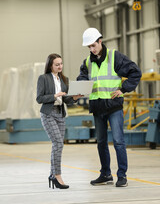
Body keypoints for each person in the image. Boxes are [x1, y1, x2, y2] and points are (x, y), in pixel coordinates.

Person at [77, 28, 142, 187]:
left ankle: (122, 176)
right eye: (89, 47)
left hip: (113, 106)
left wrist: (123, 89)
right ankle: (105, 174)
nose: (92, 49)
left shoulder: (115, 57)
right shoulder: (87, 62)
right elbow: (82, 78)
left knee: (118, 141)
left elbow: (135, 72)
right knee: (101, 142)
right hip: (98, 107)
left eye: (93, 45)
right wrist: (79, 90)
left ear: (100, 41)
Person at [36, 53, 81, 189]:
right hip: (48, 114)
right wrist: (54, 95)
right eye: (57, 64)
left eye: (61, 64)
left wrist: (74, 97)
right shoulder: (43, 78)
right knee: (58, 143)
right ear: (50, 65)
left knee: (58, 145)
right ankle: (57, 175)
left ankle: (52, 174)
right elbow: (39, 98)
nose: (60, 66)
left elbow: (66, 100)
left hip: (60, 114)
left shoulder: (64, 79)